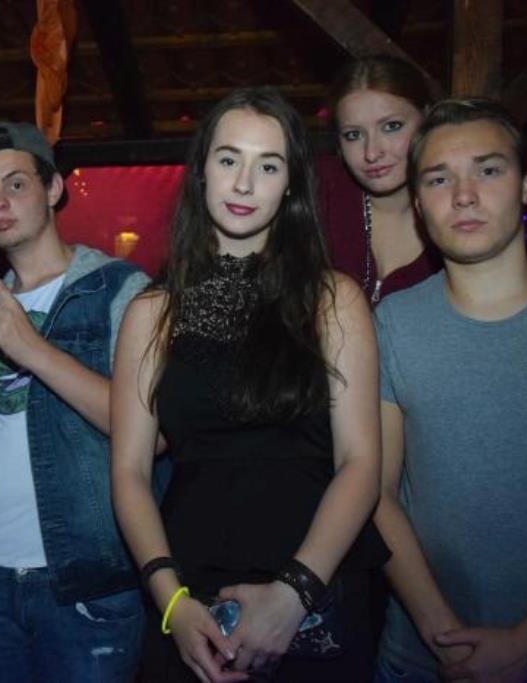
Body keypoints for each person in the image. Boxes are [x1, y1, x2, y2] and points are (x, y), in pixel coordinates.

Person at [111, 86, 389, 683]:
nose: (243, 183)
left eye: (267, 166)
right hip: (190, 592)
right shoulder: (151, 312)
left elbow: (361, 463)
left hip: (317, 587)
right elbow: (129, 473)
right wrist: (171, 604)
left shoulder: (333, 299)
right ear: (201, 172)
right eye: (228, 159)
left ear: (290, 185)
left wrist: (295, 594)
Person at [373, 98, 527, 682]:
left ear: (526, 184)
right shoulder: (391, 323)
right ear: (418, 203)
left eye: (489, 170)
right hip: (420, 660)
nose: (464, 195)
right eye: (438, 179)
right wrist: (444, 639)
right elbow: (375, 492)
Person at [0, 121, 150, 683]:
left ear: (54, 188)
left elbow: (150, 435)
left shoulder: (119, 289)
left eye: (15, 184)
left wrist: (32, 349)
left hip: (82, 582)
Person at [324, 55, 441, 304]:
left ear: (427, 119)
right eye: (353, 135)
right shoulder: (318, 191)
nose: (372, 153)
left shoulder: (458, 206)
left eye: (391, 127)